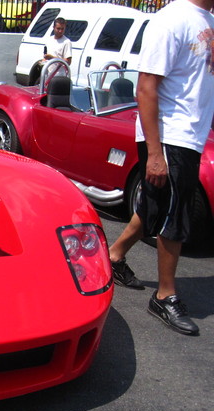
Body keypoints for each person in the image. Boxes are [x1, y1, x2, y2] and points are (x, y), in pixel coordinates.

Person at [108, 0, 214, 336]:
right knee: (176, 212)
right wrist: (155, 153)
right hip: (170, 134)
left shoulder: (206, 19)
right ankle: (165, 295)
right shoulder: (170, 20)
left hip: (192, 134)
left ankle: (114, 255)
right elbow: (146, 87)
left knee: (158, 205)